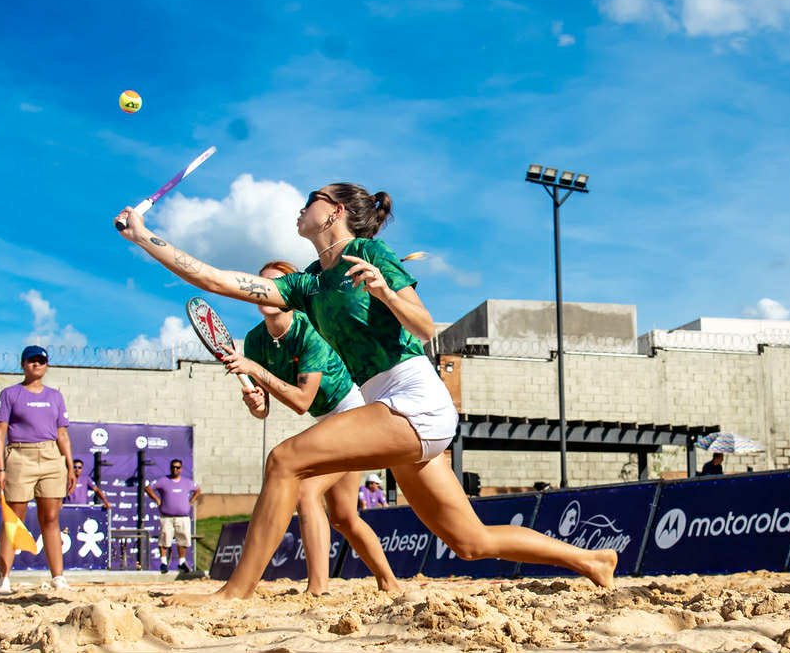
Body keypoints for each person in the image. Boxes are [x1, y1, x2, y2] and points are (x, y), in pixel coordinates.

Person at [115, 182, 617, 602]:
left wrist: (384, 291)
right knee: (471, 542)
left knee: (285, 460)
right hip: (389, 406)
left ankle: (233, 594)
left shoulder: (370, 254)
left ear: (334, 211)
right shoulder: (309, 283)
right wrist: (143, 236)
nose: (301, 207)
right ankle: (592, 559)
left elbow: (423, 327)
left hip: (415, 397)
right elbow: (216, 280)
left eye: (310, 199)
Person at [222, 259, 399, 595]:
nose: (265, 290)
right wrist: (256, 404)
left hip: (354, 414)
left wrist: (255, 371)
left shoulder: (309, 331)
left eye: (275, 285)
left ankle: (317, 589)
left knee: (305, 491)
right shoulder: (255, 341)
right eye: (261, 284)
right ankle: (390, 583)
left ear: (289, 293)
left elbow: (302, 401)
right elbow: (264, 409)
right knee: (344, 517)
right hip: (328, 422)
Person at [0, 345, 76, 594]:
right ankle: (3, 577)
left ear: (47, 365)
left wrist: (70, 465)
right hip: (20, 455)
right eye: (32, 360)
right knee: (13, 518)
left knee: (50, 518)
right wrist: (0, 468)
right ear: (23, 364)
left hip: (51, 456)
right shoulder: (10, 394)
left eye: (41, 361)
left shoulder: (55, 396)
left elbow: (62, 434)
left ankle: (58, 577)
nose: (36, 364)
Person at [145, 459, 201, 574]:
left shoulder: (187, 482)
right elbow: (148, 488)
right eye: (173, 467)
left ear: (181, 469)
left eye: (178, 467)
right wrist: (157, 499)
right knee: (165, 538)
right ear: (170, 468)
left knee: (183, 539)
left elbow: (198, 490)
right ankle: (163, 563)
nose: (175, 469)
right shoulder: (163, 481)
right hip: (167, 517)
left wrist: (191, 501)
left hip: (183, 517)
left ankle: (182, 562)